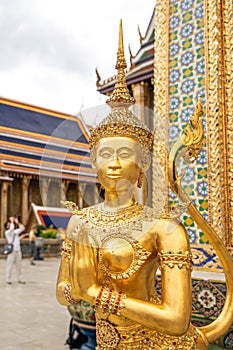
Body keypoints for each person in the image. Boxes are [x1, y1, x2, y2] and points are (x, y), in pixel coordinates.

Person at [56, 21, 233, 350]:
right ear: (93, 163)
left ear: (142, 167)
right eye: (105, 154)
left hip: (156, 343)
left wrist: (96, 293)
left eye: (125, 154)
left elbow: (177, 319)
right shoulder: (81, 221)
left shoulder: (163, 228)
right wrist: (72, 288)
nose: (114, 162)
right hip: (107, 339)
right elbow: (64, 287)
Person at [4, 216, 26, 284]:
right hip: (12, 250)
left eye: (9, 224)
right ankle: (8, 279)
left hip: (18, 249)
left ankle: (20, 278)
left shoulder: (15, 232)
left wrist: (17, 222)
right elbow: (11, 229)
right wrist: (12, 222)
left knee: (19, 265)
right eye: (8, 225)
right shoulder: (7, 232)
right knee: (10, 265)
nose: (10, 225)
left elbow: (22, 228)